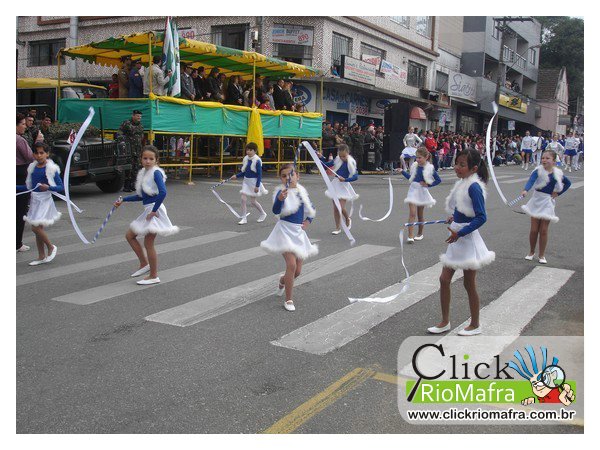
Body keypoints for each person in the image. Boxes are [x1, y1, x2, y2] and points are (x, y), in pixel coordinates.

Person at [428, 149, 495, 336]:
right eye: (456, 163)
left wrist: (461, 232)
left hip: (467, 238)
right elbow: (463, 208)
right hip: (456, 234)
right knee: (444, 279)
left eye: (462, 165)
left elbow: (481, 217)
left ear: (473, 168)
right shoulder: (463, 183)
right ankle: (444, 322)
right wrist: (454, 217)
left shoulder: (474, 187)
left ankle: (475, 324)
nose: (457, 167)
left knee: (469, 283)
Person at [113, 145, 179, 285]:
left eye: (151, 159)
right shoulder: (144, 173)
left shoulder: (156, 173)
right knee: (130, 236)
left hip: (155, 210)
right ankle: (144, 264)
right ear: (141, 159)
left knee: (148, 243)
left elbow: (163, 192)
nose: (147, 161)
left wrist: (154, 210)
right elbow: (142, 196)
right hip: (149, 209)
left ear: (156, 160)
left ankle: (154, 275)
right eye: (145, 158)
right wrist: (123, 200)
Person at [260, 164, 318, 311]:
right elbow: (275, 211)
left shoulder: (302, 192)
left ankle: (282, 280)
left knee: (297, 271)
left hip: (298, 232)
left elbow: (311, 208)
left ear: (298, 176)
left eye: (291, 174)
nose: (288, 178)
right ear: (280, 178)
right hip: (284, 231)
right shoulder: (281, 192)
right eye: (284, 176)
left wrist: (308, 221)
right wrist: (280, 199)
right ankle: (289, 300)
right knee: (291, 265)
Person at [521, 149, 571, 264]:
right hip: (536, 200)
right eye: (543, 158)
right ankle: (531, 252)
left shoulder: (557, 173)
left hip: (547, 202)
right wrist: (525, 190)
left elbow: (568, 183)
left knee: (543, 230)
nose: (544, 160)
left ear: (554, 161)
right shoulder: (538, 171)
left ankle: (542, 255)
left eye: (547, 158)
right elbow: (531, 181)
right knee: (534, 230)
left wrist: (558, 193)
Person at [17, 142, 63, 266]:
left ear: (47, 154)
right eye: (36, 153)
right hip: (35, 200)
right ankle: (41, 256)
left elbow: (60, 187)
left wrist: (48, 187)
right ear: (33, 154)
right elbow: (29, 187)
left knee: (35, 227)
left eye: (42, 153)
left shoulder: (51, 168)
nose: (39, 155)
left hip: (44, 201)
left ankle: (51, 247)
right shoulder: (32, 168)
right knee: (38, 229)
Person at [397, 147, 441, 242]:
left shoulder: (429, 168)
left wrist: (428, 184)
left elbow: (438, 180)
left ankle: (420, 233)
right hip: (413, 190)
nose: (417, 159)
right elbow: (411, 178)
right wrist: (402, 171)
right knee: (412, 214)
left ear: (426, 157)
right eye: (416, 157)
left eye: (420, 157)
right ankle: (410, 236)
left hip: (422, 191)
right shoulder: (414, 166)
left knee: (420, 215)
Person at [316, 144, 359, 235]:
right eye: (340, 156)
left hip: (344, 186)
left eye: (344, 156)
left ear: (348, 153)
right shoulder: (337, 159)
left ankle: (347, 218)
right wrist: (321, 158)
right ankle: (337, 228)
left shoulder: (351, 162)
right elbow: (326, 165)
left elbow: (356, 176)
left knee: (340, 207)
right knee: (336, 208)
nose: (342, 158)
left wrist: (345, 179)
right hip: (335, 185)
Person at [229, 142, 269, 225]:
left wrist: (257, 186)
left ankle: (263, 213)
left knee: (253, 202)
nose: (248, 151)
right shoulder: (246, 159)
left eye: (250, 150)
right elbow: (245, 172)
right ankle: (244, 218)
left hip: (254, 182)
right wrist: (236, 176)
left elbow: (259, 175)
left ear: (255, 151)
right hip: (246, 182)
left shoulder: (257, 161)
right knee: (243, 199)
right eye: (247, 150)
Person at [17, 113, 35, 253]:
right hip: (20, 176)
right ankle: (17, 243)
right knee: (20, 211)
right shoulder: (19, 140)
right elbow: (30, 157)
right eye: (22, 124)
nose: (25, 126)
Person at [119, 110, 144, 192]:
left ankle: (133, 184)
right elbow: (119, 133)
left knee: (136, 167)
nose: (139, 118)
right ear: (133, 116)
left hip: (137, 150)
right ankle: (126, 186)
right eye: (138, 116)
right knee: (128, 167)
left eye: (140, 116)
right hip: (129, 150)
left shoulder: (140, 125)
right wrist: (123, 142)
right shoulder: (126, 123)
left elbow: (142, 136)